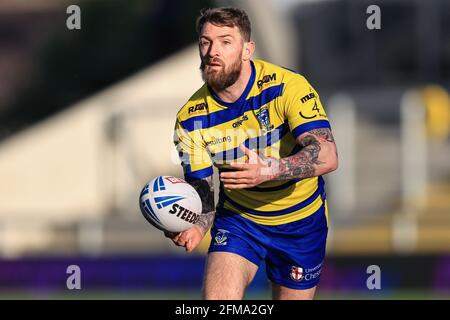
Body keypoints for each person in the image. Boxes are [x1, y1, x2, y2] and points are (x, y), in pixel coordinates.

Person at [169, 7, 338, 300]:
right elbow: (203, 192)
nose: (212, 51)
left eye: (225, 41)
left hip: (301, 222)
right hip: (240, 221)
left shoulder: (288, 86)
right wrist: (197, 224)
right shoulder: (189, 119)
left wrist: (270, 170)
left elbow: (327, 155)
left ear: (247, 49)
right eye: (205, 42)